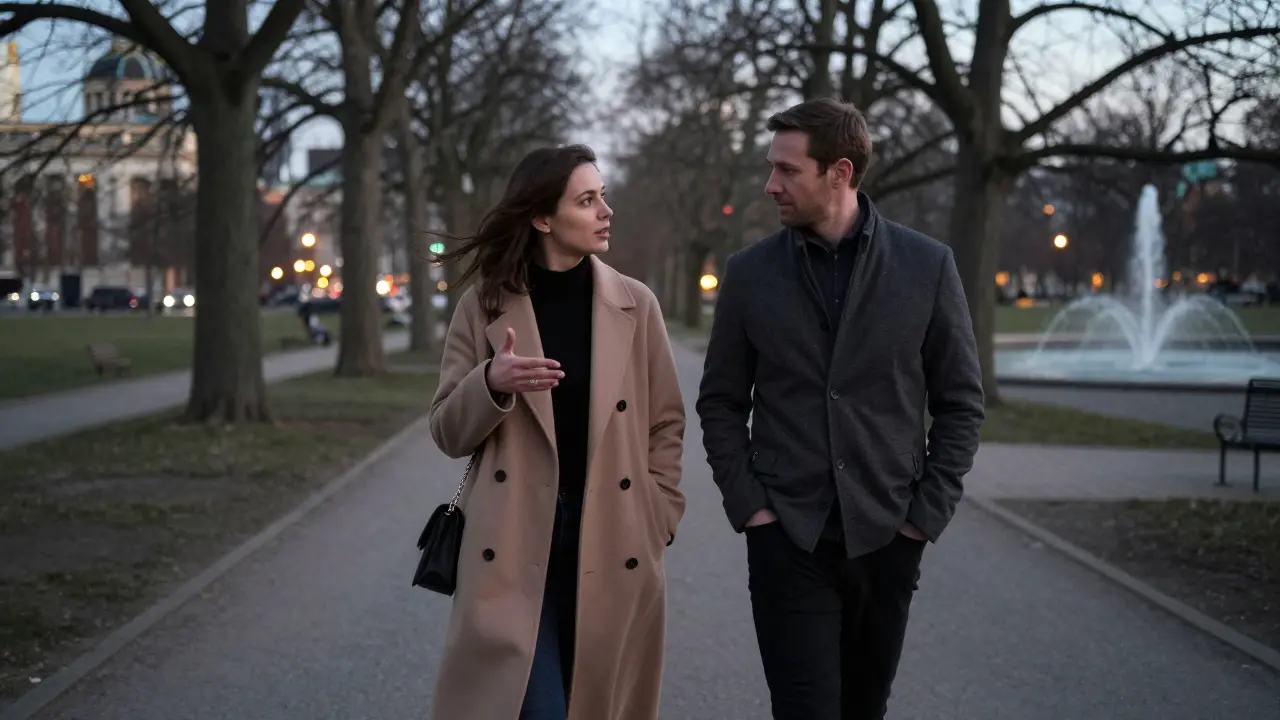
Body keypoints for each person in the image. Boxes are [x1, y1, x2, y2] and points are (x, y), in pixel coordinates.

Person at [696, 98, 985, 719]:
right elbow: (721, 401)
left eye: (787, 170)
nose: (771, 185)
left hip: (888, 537)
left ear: (840, 172)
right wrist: (751, 507)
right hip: (787, 540)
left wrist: (923, 518)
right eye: (772, 168)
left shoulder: (926, 266)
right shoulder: (749, 274)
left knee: (863, 710)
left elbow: (961, 403)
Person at [425, 144, 687, 720]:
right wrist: (490, 381)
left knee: (596, 699)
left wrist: (658, 512)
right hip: (515, 539)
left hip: (614, 535)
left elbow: (665, 421)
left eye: (603, 196)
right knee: (535, 706)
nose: (605, 211)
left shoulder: (635, 304)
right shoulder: (485, 304)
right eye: (587, 200)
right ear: (543, 218)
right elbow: (446, 431)